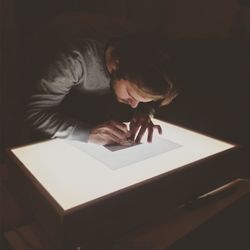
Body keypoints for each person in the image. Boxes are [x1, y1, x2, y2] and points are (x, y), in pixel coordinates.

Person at [24, 33, 178, 146]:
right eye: (131, 95)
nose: (133, 105)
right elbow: (35, 113)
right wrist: (88, 134)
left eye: (142, 100)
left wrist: (145, 112)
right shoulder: (73, 61)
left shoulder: (143, 62)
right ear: (117, 64)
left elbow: (146, 94)